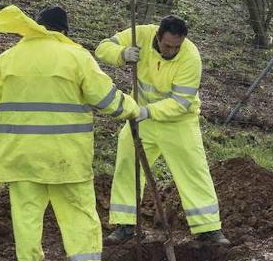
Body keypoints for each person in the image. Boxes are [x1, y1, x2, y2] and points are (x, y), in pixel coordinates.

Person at [0, 5, 139, 261]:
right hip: (65, 156)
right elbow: (105, 98)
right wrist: (133, 109)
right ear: (64, 31)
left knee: (26, 219)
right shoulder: (74, 56)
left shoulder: (7, 59)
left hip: (19, 157)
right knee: (78, 212)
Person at [98, 16, 229, 246]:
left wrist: (147, 112)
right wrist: (122, 54)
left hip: (178, 122)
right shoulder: (141, 34)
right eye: (167, 45)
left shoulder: (190, 57)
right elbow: (102, 48)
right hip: (142, 119)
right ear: (158, 36)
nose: (171, 51)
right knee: (128, 162)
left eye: (176, 47)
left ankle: (209, 229)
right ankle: (125, 224)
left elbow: (180, 102)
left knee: (193, 170)